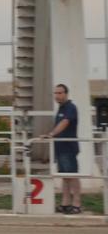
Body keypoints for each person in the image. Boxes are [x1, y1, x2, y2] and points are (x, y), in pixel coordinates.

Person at [43, 83, 82, 215]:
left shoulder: (70, 107)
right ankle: (65, 204)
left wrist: (51, 134)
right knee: (65, 177)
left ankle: (77, 204)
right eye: (56, 93)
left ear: (66, 94)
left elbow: (65, 122)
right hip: (60, 147)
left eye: (60, 93)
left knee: (73, 176)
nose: (57, 95)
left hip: (68, 147)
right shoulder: (61, 108)